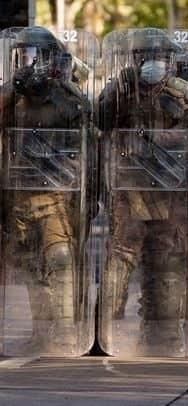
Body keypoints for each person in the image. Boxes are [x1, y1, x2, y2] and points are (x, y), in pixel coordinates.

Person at [98, 28, 188, 354]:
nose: (153, 63)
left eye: (159, 57)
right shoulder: (122, 91)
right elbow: (101, 118)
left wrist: (156, 138)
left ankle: (161, 334)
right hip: (130, 189)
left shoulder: (185, 95)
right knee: (121, 258)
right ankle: (105, 334)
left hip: (170, 190)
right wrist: (124, 86)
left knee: (166, 262)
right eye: (146, 57)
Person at [0, 26, 92, 354]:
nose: (29, 63)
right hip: (19, 193)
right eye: (22, 57)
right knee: (29, 265)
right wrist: (15, 85)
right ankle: (42, 332)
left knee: (61, 259)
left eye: (35, 57)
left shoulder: (69, 99)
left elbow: (84, 149)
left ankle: (66, 333)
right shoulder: (13, 98)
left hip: (56, 194)